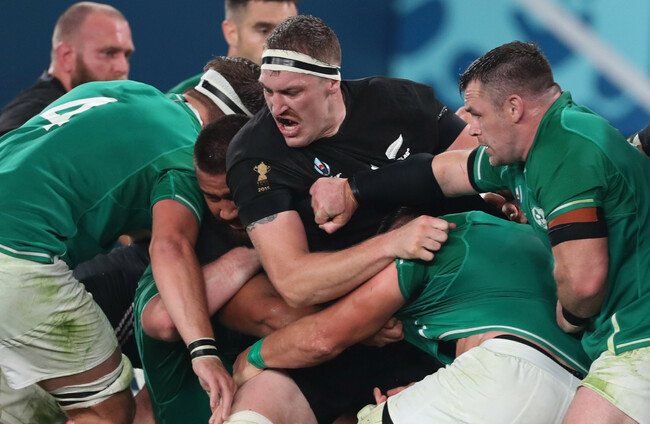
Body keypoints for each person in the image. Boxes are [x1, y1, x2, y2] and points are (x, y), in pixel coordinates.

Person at [309, 41, 650, 424]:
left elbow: (585, 283)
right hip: (619, 340)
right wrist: (355, 190)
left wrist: (570, 315)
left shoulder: (564, 151)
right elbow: (447, 171)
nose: (470, 128)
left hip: (639, 336)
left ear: (514, 108)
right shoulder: (534, 148)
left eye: (477, 114)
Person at [225, 14, 489, 422]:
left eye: (292, 92)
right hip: (348, 331)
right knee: (254, 411)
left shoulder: (399, 100)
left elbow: (480, 168)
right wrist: (392, 244)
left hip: (443, 318)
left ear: (332, 82)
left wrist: (359, 190)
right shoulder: (256, 155)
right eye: (268, 91)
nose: (277, 107)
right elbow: (295, 283)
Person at [0, 56, 262, 424]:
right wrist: (203, 350)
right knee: (107, 410)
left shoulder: (128, 90)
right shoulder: (186, 154)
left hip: (14, 248)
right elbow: (170, 245)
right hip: (19, 256)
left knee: (22, 410)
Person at [233, 211, 591, 424]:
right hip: (581, 396)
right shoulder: (524, 233)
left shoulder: (419, 247)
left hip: (504, 372)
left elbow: (322, 340)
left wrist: (249, 358)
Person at [135, 114, 319, 424]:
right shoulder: (183, 261)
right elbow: (165, 319)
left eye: (234, 195)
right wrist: (250, 256)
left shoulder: (294, 213)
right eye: (212, 197)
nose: (226, 211)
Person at [0, 2, 134, 137]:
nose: (122, 68)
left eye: (127, 55)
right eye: (109, 53)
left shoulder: (95, 111)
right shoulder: (32, 114)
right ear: (67, 56)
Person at [167, 0, 299, 94]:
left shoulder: (308, 100)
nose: (280, 44)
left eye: (288, 31)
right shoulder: (182, 103)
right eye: (264, 31)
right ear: (232, 33)